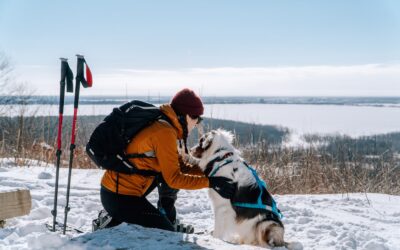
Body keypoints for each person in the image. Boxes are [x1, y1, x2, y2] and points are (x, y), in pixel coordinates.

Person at [97, 88, 236, 233]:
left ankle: (165, 217)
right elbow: (174, 179)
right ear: (185, 115)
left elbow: (180, 167)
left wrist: (212, 170)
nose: (197, 123)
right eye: (196, 117)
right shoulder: (164, 132)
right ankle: (110, 220)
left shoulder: (168, 126)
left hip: (130, 191)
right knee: (164, 233)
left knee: (165, 224)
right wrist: (211, 182)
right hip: (119, 197)